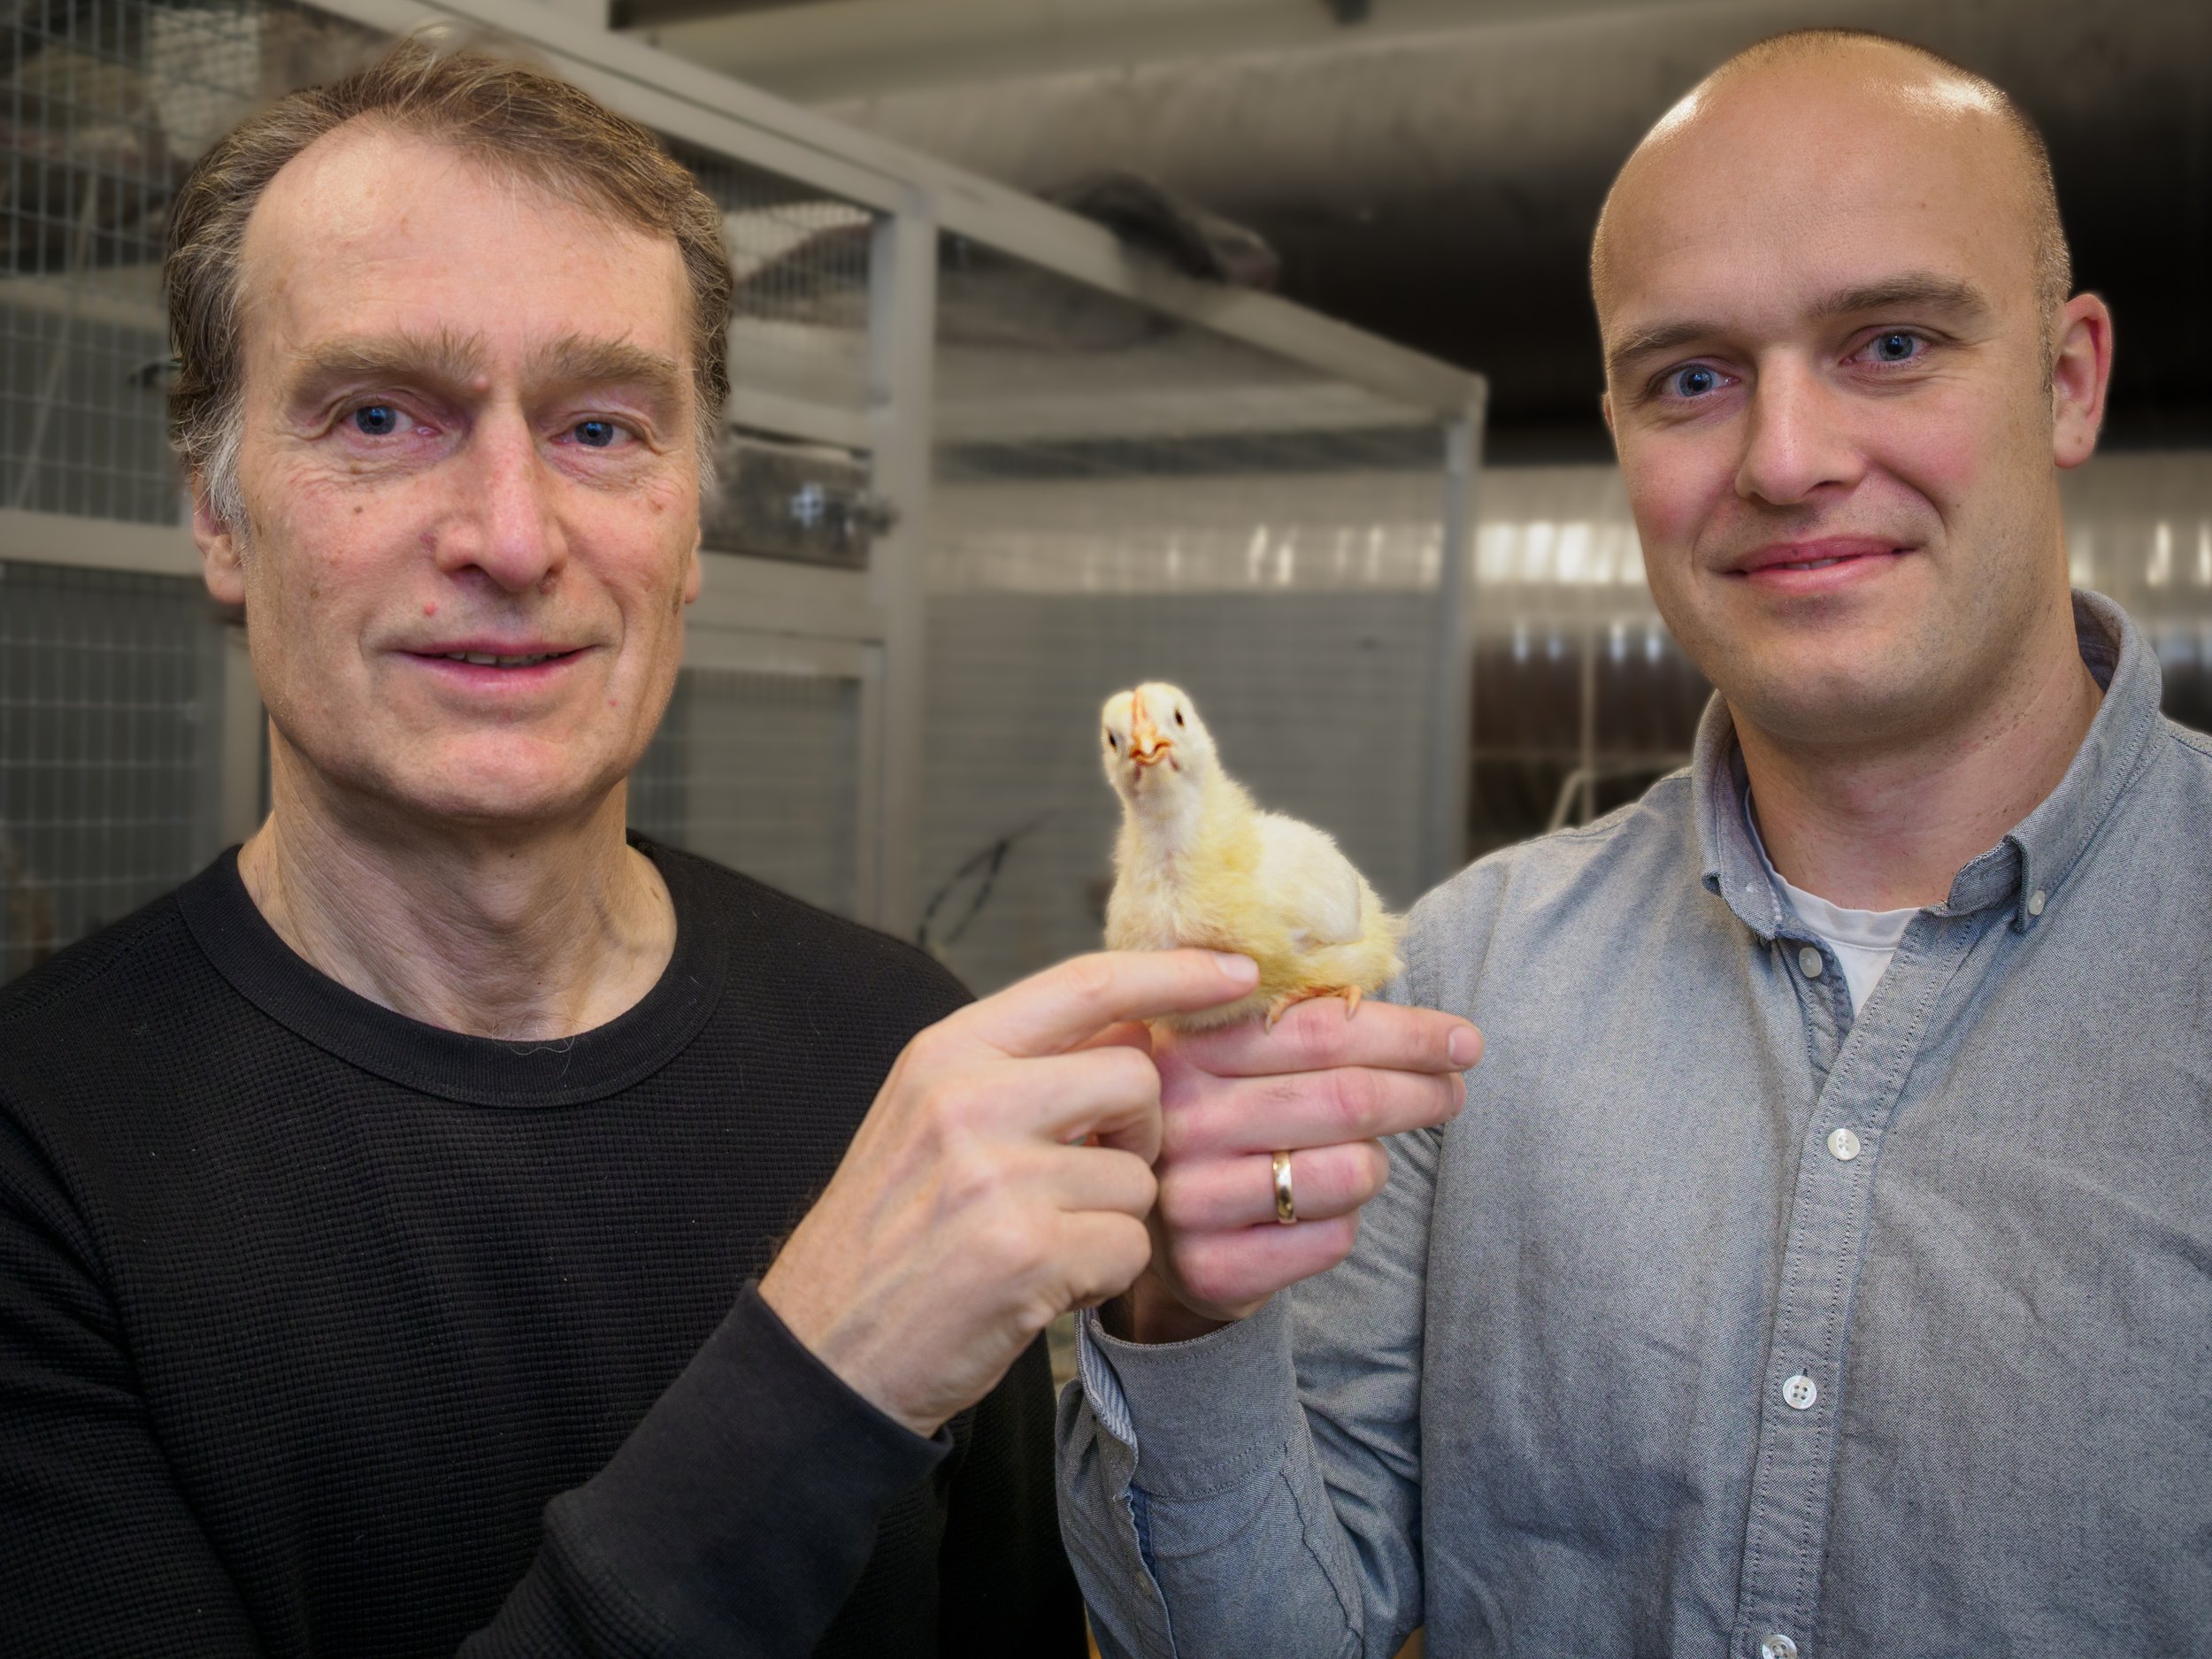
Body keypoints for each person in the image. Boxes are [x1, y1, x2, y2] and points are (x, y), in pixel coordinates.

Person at [0, 36, 1479, 1656]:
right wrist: (823, 1374)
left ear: (694, 515)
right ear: (219, 512)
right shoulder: (43, 1158)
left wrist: (1175, 1321)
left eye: (603, 429)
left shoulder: (886, 1040)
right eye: (379, 415)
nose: (511, 535)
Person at [1060, 28, 2212, 1659]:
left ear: (2068, 379)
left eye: (1890, 342)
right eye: (1692, 377)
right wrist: (1183, 1311)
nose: (1788, 459)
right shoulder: (1464, 984)